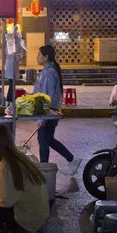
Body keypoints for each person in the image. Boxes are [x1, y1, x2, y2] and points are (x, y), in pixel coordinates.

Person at [34, 45, 81, 175]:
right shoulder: (47, 71)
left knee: (43, 141)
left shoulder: (49, 73)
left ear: (46, 56)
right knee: (48, 140)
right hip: (48, 112)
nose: (36, 57)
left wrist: (43, 118)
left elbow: (47, 97)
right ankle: (72, 159)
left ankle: (44, 171)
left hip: (48, 113)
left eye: (39, 54)